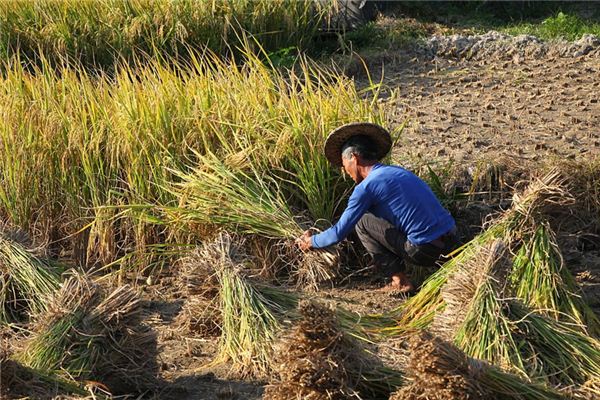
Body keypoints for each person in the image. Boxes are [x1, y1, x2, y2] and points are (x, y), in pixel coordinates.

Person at [295, 122, 457, 293]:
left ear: (354, 158)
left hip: (426, 251)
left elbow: (338, 233)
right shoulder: (398, 172)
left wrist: (311, 242)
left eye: (344, 165)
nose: (345, 171)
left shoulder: (366, 187)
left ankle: (400, 281)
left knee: (362, 221)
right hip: (453, 241)